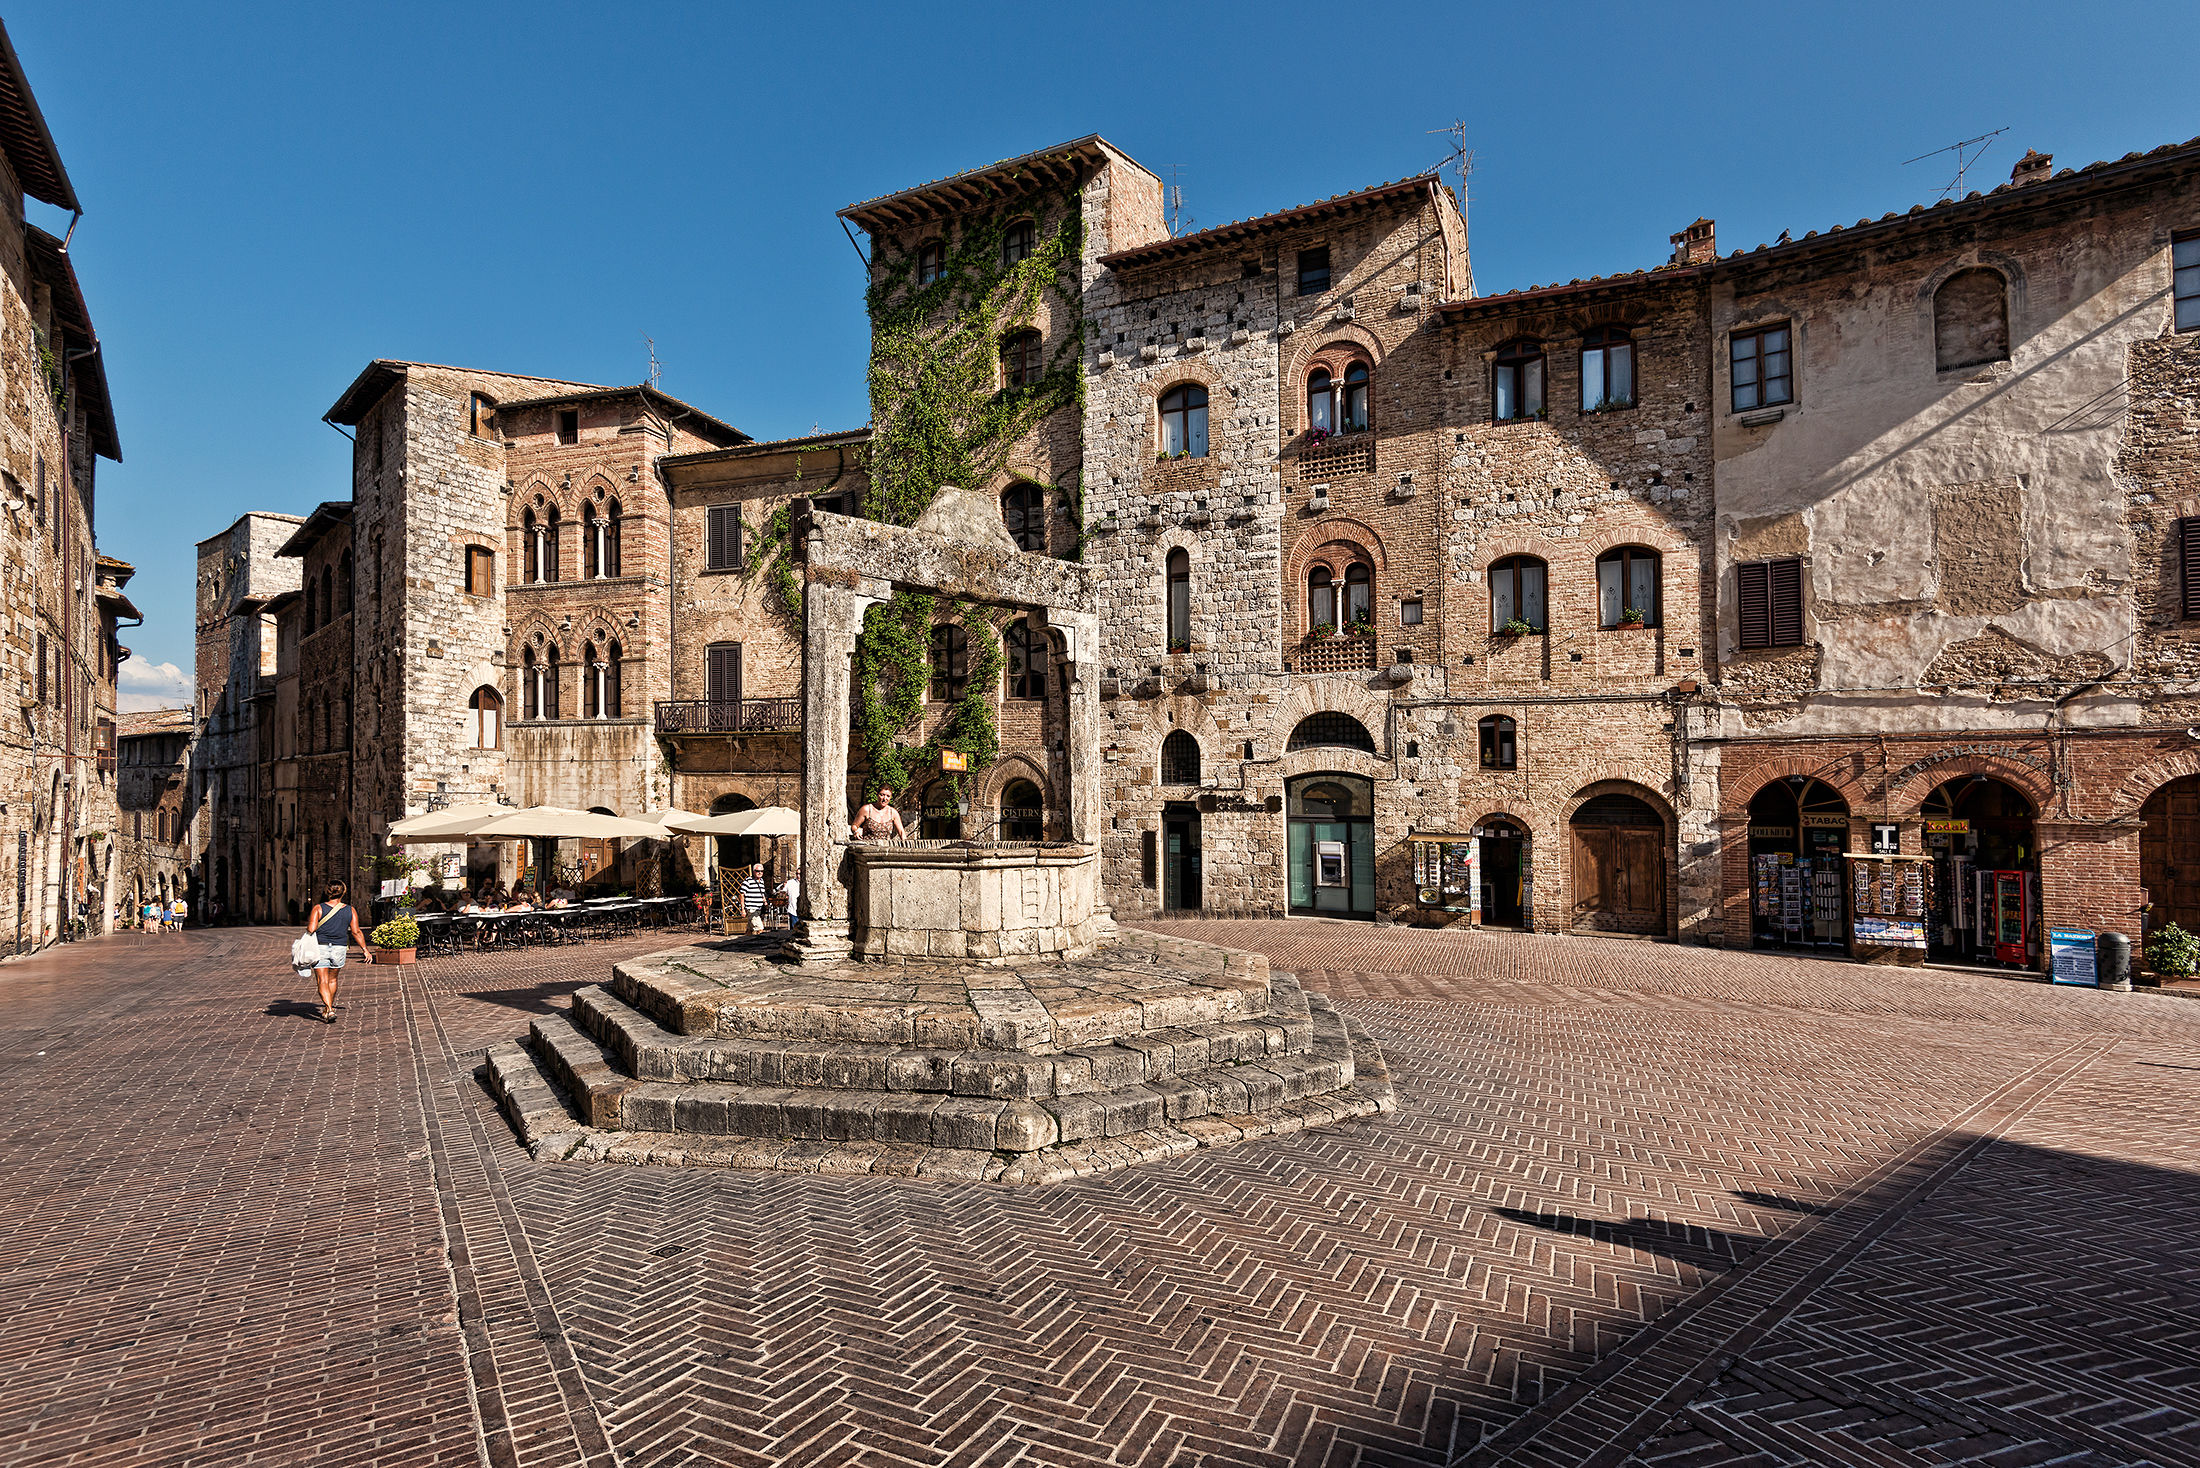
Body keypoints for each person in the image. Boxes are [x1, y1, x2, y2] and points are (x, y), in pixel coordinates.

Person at [303, 881, 368, 1026]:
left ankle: (329, 1008)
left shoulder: (318, 908)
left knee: (322, 981)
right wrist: (365, 950)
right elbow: (356, 932)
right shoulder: (350, 910)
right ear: (343, 892)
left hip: (320, 947)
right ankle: (328, 1008)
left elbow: (311, 928)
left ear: (327, 892)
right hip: (339, 948)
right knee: (333, 980)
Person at [739, 864, 768, 930]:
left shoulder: (762, 881)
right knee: (759, 928)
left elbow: (762, 893)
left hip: (759, 909)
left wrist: (765, 902)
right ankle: (758, 940)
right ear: (753, 871)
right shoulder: (748, 881)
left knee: (750, 930)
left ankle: (746, 939)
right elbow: (741, 894)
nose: (760, 873)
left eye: (762, 871)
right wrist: (742, 909)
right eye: (758, 871)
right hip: (751, 909)